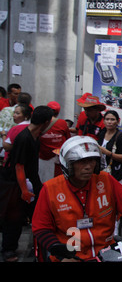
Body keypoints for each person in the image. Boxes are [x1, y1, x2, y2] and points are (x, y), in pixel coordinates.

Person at [31, 136, 122, 262]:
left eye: (92, 161)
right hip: (72, 258)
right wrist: (61, 254)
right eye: (81, 162)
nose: (88, 167)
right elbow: (41, 228)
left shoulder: (105, 180)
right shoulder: (50, 189)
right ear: (68, 164)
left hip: (107, 255)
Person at [0, 106, 53, 262]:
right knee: (14, 217)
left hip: (32, 180)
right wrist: (24, 190)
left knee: (38, 214)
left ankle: (38, 247)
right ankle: (8, 250)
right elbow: (19, 166)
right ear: (46, 122)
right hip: (17, 183)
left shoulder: (36, 135)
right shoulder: (24, 138)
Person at [38, 101, 71, 183]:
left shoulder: (40, 122)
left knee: (42, 181)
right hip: (58, 159)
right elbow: (68, 140)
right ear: (58, 112)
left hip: (42, 158)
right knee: (57, 183)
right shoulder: (62, 123)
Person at [97, 110, 122, 182]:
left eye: (112, 119)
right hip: (101, 172)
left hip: (115, 173)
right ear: (104, 121)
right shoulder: (102, 134)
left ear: (117, 121)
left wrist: (108, 153)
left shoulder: (120, 137)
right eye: (107, 119)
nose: (109, 122)